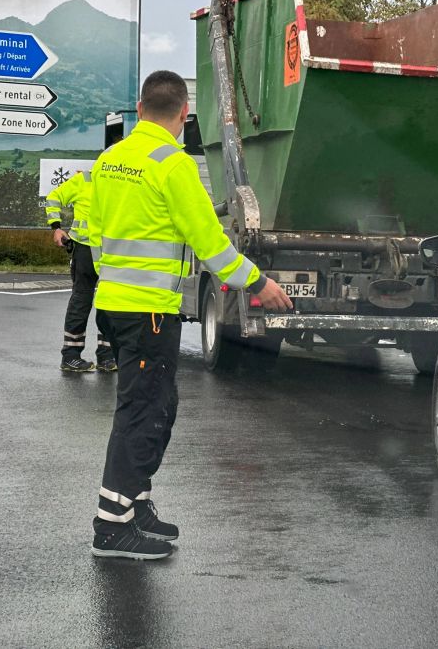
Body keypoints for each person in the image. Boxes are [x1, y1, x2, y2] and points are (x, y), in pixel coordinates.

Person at [88, 70, 293, 560]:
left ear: (139, 110)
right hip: (150, 313)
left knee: (156, 405)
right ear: (184, 115)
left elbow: (92, 236)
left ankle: (134, 504)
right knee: (144, 413)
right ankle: (111, 527)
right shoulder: (173, 165)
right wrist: (261, 284)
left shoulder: (109, 160)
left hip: (114, 306)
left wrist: (115, 281)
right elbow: (212, 248)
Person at [45, 170, 116, 373]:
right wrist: (56, 227)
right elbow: (54, 197)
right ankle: (71, 356)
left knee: (108, 302)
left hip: (108, 251)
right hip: (86, 249)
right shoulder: (86, 178)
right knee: (82, 301)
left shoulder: (106, 179)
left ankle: (106, 356)